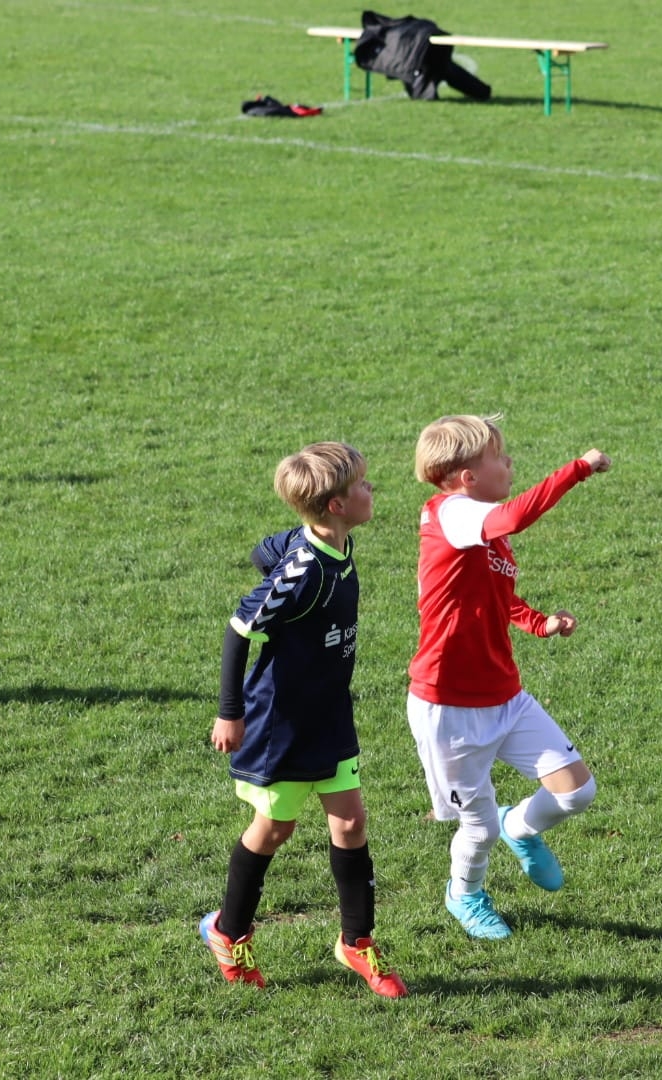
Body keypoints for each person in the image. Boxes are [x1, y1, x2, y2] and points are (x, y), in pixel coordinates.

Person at [200, 442, 407, 998]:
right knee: (276, 829)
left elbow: (263, 548)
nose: (370, 490)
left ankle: (356, 942)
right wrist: (230, 712)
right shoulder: (304, 571)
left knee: (351, 824)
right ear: (336, 506)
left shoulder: (334, 541)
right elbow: (239, 631)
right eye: (362, 485)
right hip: (282, 725)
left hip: (329, 712)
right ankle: (227, 932)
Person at [407, 415, 611, 939]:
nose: (509, 462)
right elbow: (517, 516)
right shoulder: (453, 513)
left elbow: (495, 596)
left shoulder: (478, 527)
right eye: (499, 456)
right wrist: (579, 468)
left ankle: (518, 827)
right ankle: (465, 894)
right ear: (467, 476)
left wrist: (538, 622)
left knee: (577, 792)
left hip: (504, 694)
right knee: (476, 827)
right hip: (449, 705)